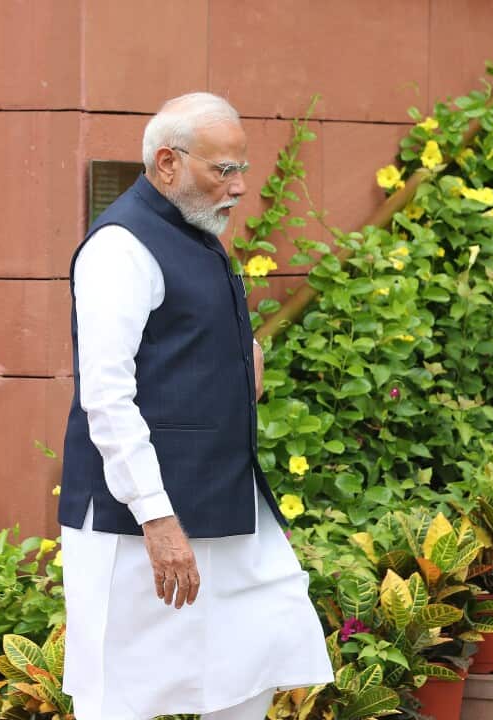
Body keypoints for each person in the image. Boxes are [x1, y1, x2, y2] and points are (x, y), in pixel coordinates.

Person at [59, 92, 332, 720]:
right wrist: (156, 518)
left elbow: (178, 344)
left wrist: (239, 365)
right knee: (122, 693)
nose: (238, 186)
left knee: (258, 652)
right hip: (140, 522)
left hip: (224, 502)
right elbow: (105, 395)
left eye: (241, 168)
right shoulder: (120, 247)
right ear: (166, 164)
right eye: (223, 170)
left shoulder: (195, 228)